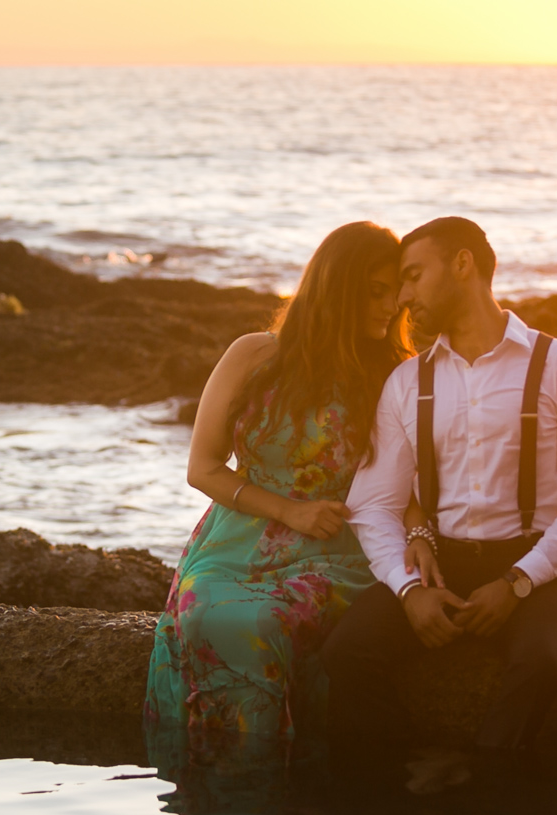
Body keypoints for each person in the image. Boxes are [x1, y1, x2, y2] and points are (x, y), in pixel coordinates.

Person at [326, 216, 557, 780]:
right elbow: (375, 504)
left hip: (537, 574)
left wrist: (516, 582)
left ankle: (488, 783)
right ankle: (399, 785)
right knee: (346, 653)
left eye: (413, 276)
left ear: (463, 264)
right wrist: (410, 591)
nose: (403, 297)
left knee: (542, 661)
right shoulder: (407, 383)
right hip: (441, 569)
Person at [144, 221, 413, 736]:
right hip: (234, 542)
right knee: (204, 612)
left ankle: (273, 774)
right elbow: (202, 467)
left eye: (397, 297)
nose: (390, 308)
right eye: (377, 293)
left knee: (265, 623)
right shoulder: (253, 355)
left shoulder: (395, 375)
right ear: (338, 288)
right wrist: (288, 510)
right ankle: (224, 781)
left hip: (337, 551)